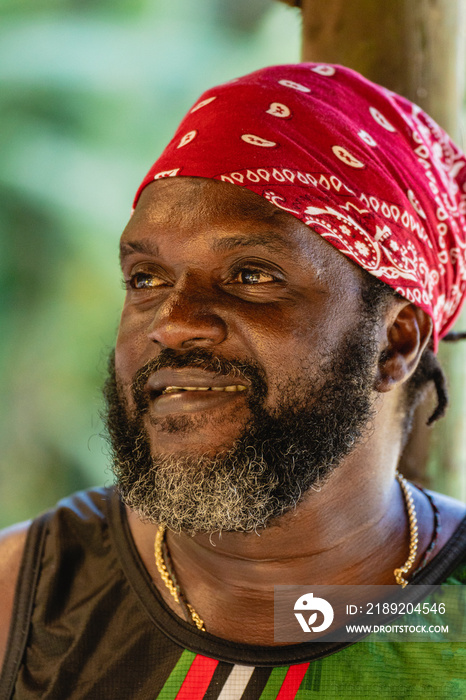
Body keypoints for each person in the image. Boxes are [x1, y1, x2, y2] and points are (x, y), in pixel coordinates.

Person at [1, 63, 466, 699]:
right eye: (146, 279)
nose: (172, 323)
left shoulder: (451, 618)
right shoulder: (23, 602)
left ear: (396, 342)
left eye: (251, 275)